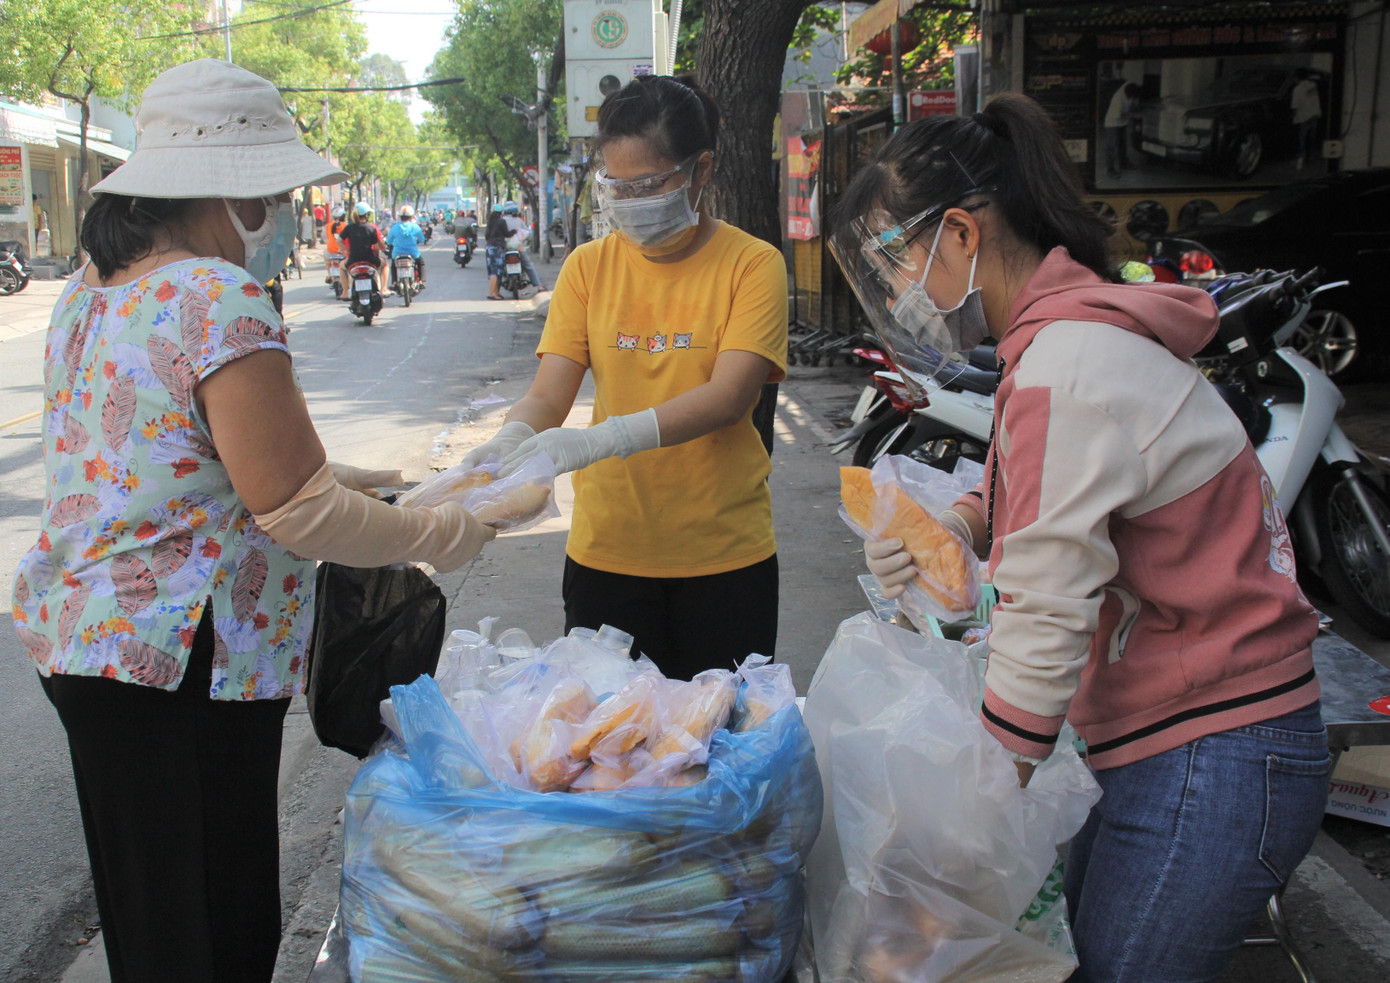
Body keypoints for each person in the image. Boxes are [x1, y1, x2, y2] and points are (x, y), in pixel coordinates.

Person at [9, 59, 495, 983]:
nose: (276, 212)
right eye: (269, 192)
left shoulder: (89, 289)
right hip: (177, 661)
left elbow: (191, 460)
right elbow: (295, 503)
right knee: (212, 929)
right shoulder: (214, 297)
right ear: (221, 189)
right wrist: (448, 533)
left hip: (90, 645)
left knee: (155, 919)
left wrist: (391, 482)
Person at [832, 94, 1329, 982]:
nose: (901, 282)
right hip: (1169, 736)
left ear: (957, 233)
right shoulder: (1057, 345)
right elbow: (1037, 481)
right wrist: (954, 523)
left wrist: (959, 840)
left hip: (1213, 748)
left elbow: (1042, 621)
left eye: (898, 252)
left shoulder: (1069, 362)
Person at [462, 75, 788, 679]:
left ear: (701, 169)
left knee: (720, 748)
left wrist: (598, 441)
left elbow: (728, 398)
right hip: (609, 553)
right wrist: (506, 441)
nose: (633, 200)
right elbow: (548, 394)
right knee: (611, 750)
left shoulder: (752, 264)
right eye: (618, 186)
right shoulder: (589, 268)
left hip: (723, 556)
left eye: (649, 184)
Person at [339, 201, 384, 299]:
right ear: (367, 215)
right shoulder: (371, 228)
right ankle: (382, 291)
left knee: (341, 267)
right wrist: (377, 256)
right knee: (382, 266)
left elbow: (339, 240)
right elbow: (376, 248)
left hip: (353, 260)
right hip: (370, 260)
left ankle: (345, 293)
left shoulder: (349, 227)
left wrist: (348, 250)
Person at [502, 200, 545, 291]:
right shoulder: (519, 221)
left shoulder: (502, 221)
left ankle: (495, 289)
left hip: (504, 248)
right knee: (528, 265)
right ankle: (538, 285)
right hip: (518, 248)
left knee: (500, 267)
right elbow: (527, 234)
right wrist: (527, 243)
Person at [1102, 81, 1141, 178]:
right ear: (1126, 94)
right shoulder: (1118, 100)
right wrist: (1134, 115)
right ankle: (1110, 170)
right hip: (1112, 123)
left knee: (1123, 145)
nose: (1131, 99)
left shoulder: (1130, 86)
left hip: (1123, 123)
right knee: (1112, 147)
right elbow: (1119, 115)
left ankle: (1123, 164)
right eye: (1130, 98)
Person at [385, 203, 426, 291]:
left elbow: (388, 241)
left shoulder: (395, 227)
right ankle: (421, 281)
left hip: (397, 253)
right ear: (411, 217)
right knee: (421, 263)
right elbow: (422, 239)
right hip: (413, 253)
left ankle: (394, 282)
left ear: (400, 217)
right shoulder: (415, 227)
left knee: (393, 265)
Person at [1291, 69, 1322, 170]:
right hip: (1314, 115)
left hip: (1303, 117)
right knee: (1312, 138)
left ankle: (1300, 161)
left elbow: (1295, 106)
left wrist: (1293, 117)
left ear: (1297, 78)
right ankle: (1312, 157)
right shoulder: (1313, 86)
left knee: (1301, 140)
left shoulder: (1297, 89)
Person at [483, 201, 509, 300]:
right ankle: (491, 293)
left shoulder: (490, 222)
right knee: (497, 271)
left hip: (489, 248)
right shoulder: (502, 221)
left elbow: (486, 235)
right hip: (498, 248)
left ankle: (496, 292)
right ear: (501, 212)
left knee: (492, 271)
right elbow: (507, 234)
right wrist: (514, 232)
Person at [324, 204, 347, 282]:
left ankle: (329, 274)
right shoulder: (346, 226)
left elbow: (328, 236)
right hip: (344, 252)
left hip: (331, 251)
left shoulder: (328, 225)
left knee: (326, 258)